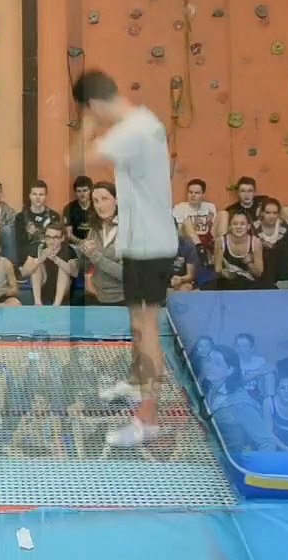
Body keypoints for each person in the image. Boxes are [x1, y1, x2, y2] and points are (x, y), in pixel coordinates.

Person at [71, 69, 178, 448]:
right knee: (136, 321)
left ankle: (147, 420)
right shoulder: (139, 124)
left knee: (148, 329)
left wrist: (85, 126)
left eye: (92, 111)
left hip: (151, 246)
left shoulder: (134, 129)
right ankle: (136, 385)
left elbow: (75, 161)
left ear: (95, 104)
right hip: (139, 243)